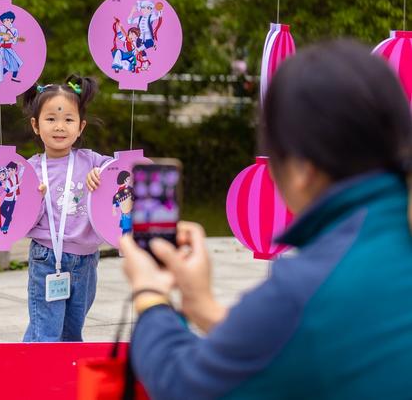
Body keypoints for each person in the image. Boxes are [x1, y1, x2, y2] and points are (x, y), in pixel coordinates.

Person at [120, 40, 412, 399]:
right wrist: (204, 307)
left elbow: (185, 386)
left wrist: (150, 295)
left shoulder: (303, 289)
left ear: (303, 167)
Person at [22, 75, 113, 342]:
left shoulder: (93, 160)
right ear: (36, 126)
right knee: (46, 332)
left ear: (80, 126)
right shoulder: (30, 170)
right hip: (47, 257)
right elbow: (23, 223)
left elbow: (131, 170)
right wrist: (35, 200)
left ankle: (60, 379)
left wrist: (102, 173)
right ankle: (32, 377)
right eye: (51, 119)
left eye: (68, 120)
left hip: (86, 260)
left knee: (72, 334)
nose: (60, 127)